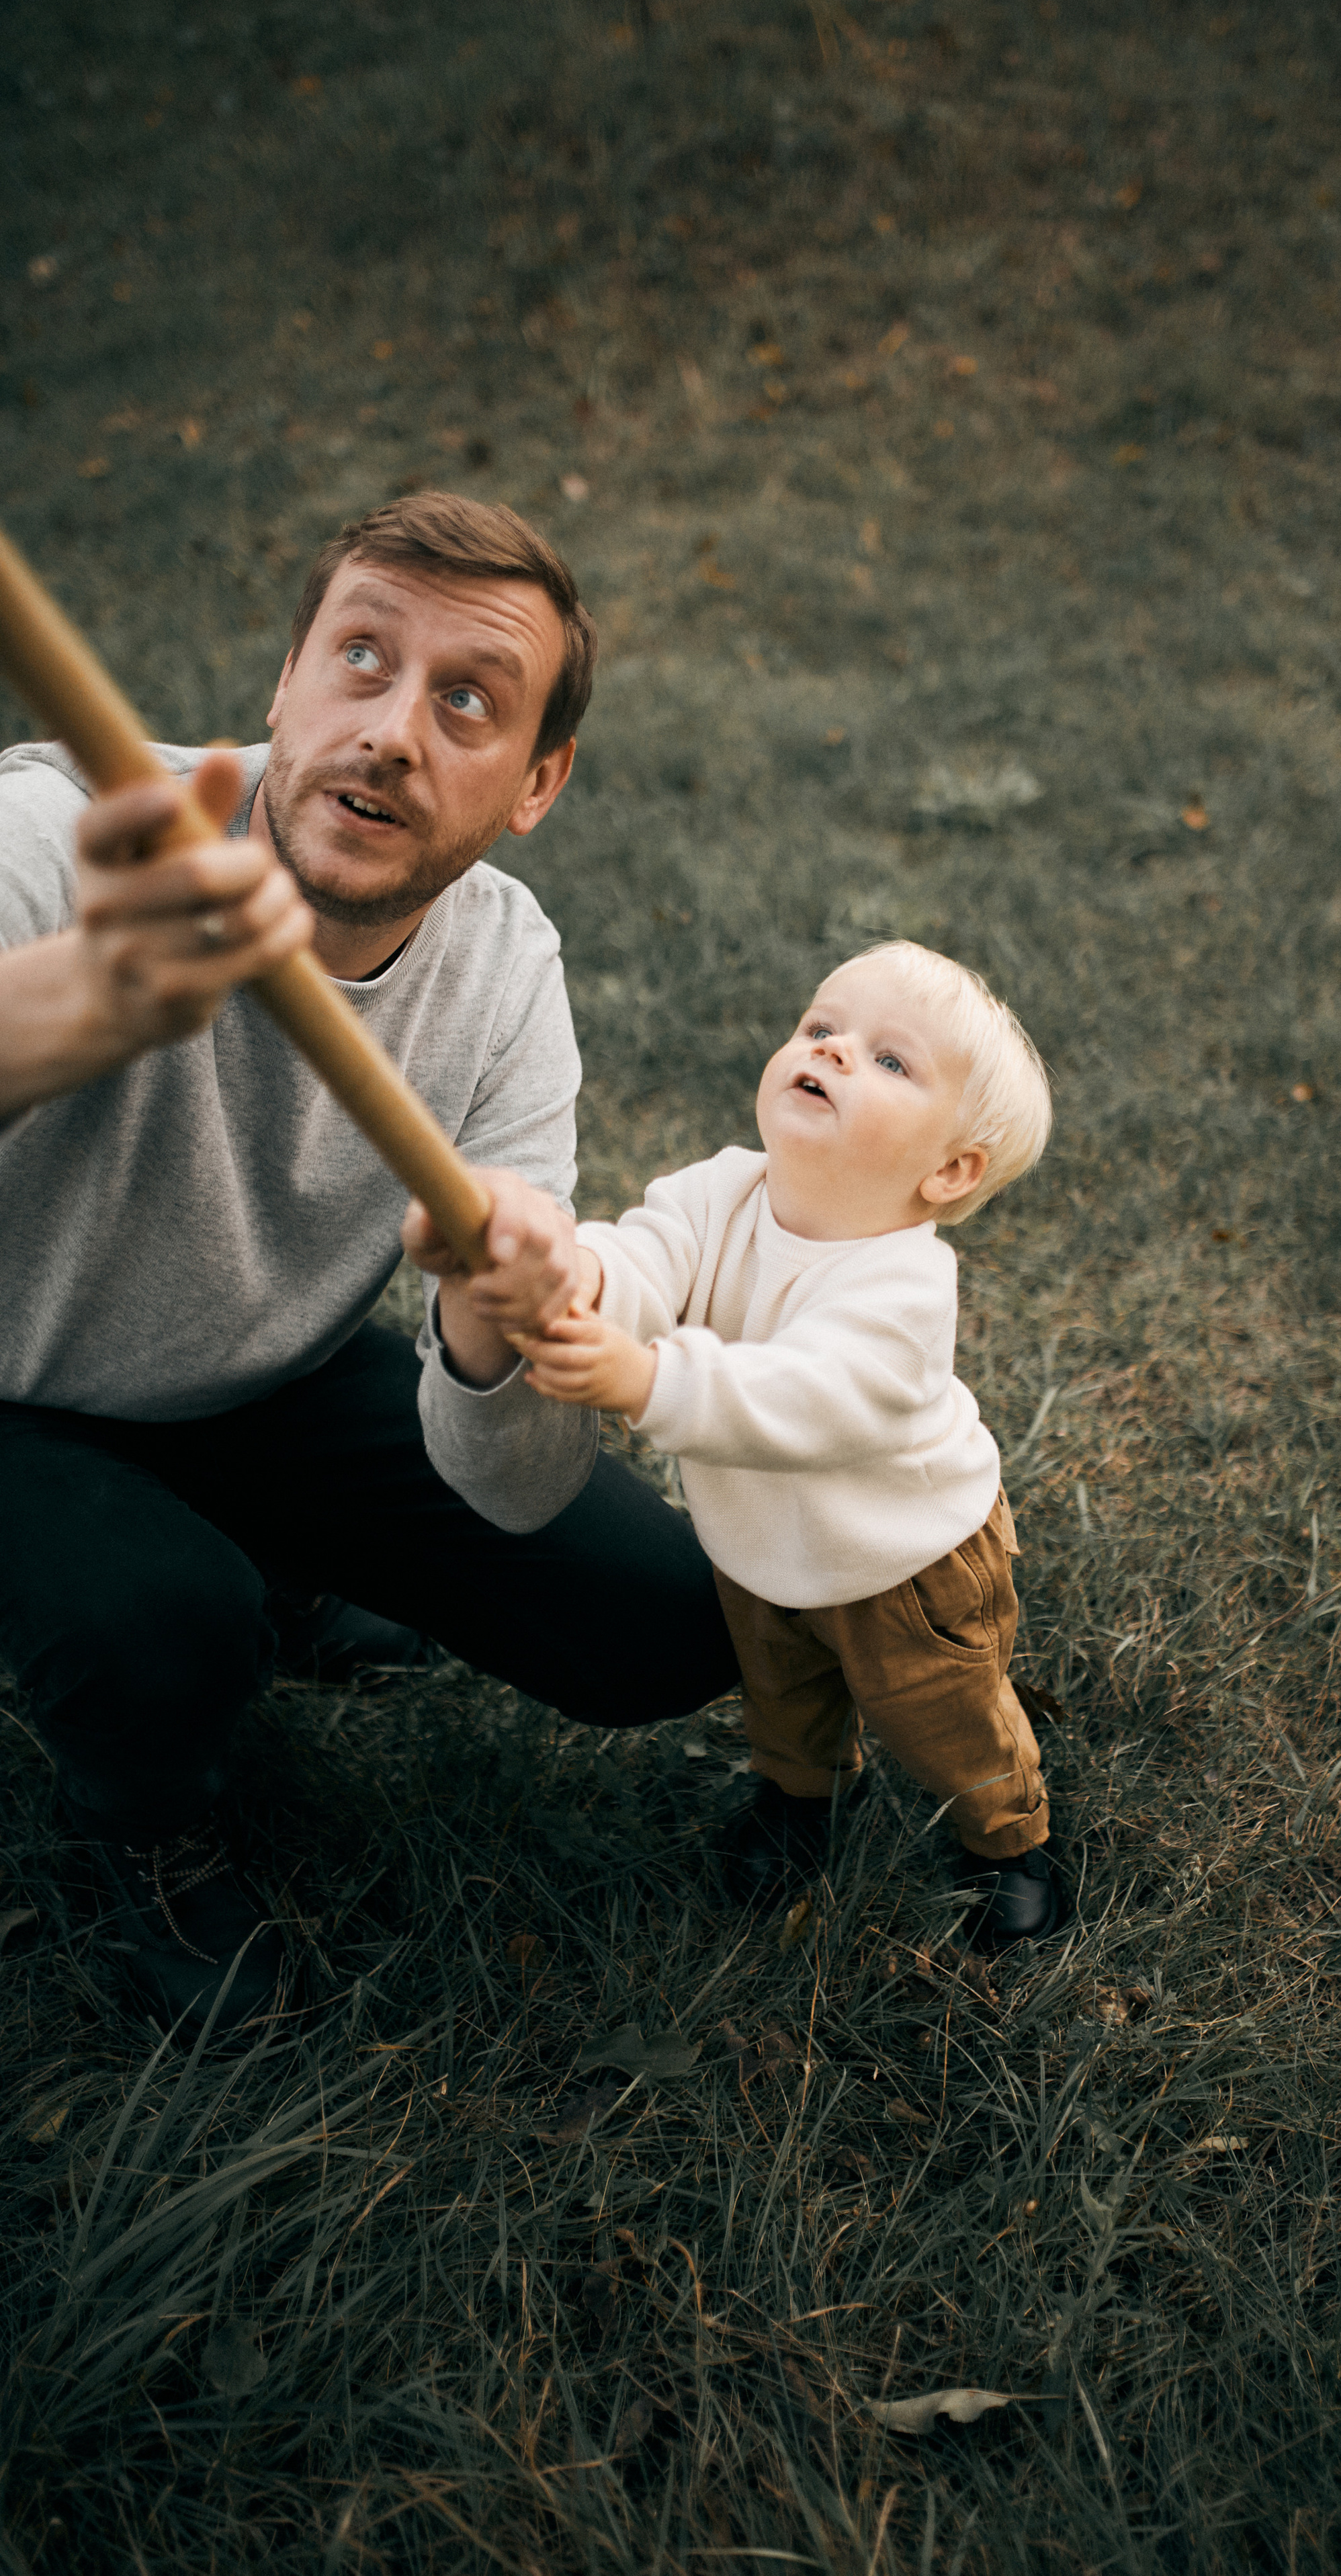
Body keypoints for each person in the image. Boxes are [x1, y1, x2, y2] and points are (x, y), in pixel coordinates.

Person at [0, 492, 736, 2036]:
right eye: (359, 659)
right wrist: (85, 1000)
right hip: (15, 1381)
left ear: (538, 784)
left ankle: (278, 1560)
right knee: (170, 1626)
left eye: (466, 701)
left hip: (255, 1372)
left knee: (664, 1621)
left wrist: (484, 1339)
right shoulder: (70, 833)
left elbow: (514, 1484)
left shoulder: (504, 971)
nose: (393, 730)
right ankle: (141, 1826)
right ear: (284, 684)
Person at [512, 941, 1062, 1949]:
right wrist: (584, 1278)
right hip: (759, 1550)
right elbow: (647, 1255)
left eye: (892, 1062)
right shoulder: (721, 1192)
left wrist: (648, 1379)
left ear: (950, 1169)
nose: (837, 1051)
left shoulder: (904, 1290)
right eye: (822, 1028)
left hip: (909, 1566)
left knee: (944, 1721)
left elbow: (809, 1399)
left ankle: (1007, 1838)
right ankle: (801, 1797)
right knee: (785, 1694)